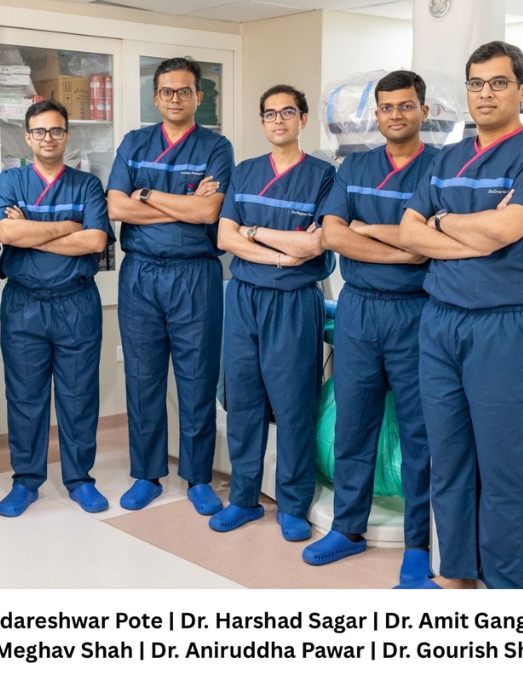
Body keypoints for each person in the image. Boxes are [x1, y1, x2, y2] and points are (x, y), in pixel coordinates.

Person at [395, 41, 523, 589]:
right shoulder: (445, 158)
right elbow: (409, 233)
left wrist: (443, 223)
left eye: (498, 82)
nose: (485, 93)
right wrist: (477, 232)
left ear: (522, 89)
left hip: (504, 327)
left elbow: (507, 230)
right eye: (475, 83)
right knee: (447, 458)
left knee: (504, 469)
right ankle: (455, 575)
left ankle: (502, 590)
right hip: (440, 322)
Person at [304, 71, 439, 581]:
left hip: (417, 312)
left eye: (406, 105)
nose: (395, 115)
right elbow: (333, 235)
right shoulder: (356, 167)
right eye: (387, 107)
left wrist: (372, 232)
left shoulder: (440, 168)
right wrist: (404, 248)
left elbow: (432, 241)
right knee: (353, 423)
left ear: (424, 111)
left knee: (420, 431)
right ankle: (348, 528)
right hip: (359, 309)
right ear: (376, 114)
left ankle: (420, 543)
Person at [106, 57, 234, 515]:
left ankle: (198, 477)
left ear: (198, 96)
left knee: (197, 378)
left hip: (195, 275)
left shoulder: (216, 147)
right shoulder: (135, 142)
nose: (175, 98)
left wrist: (146, 194)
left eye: (184, 91)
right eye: (166, 91)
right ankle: (147, 474)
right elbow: (116, 207)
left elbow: (208, 212)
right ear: (155, 97)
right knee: (142, 378)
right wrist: (182, 203)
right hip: (140, 274)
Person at [211, 84, 334, 541]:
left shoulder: (324, 176)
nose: (278, 120)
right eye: (269, 113)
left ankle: (293, 505)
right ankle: (243, 499)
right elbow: (225, 237)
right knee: (243, 402)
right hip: (244, 298)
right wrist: (282, 254)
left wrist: (255, 231)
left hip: (294, 303)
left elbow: (315, 244)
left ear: (303, 119)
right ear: (261, 121)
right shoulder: (245, 171)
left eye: (287, 112)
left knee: (293, 404)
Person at [0, 100, 114, 516]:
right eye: (40, 131)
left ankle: (79, 479)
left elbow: (95, 241)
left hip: (76, 302)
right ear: (28, 138)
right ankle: (26, 480)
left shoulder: (87, 185)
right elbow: (8, 233)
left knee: (79, 395)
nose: (48, 138)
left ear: (67, 136)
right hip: (24, 303)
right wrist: (68, 227)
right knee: (25, 396)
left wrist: (31, 230)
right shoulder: (10, 180)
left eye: (56, 130)